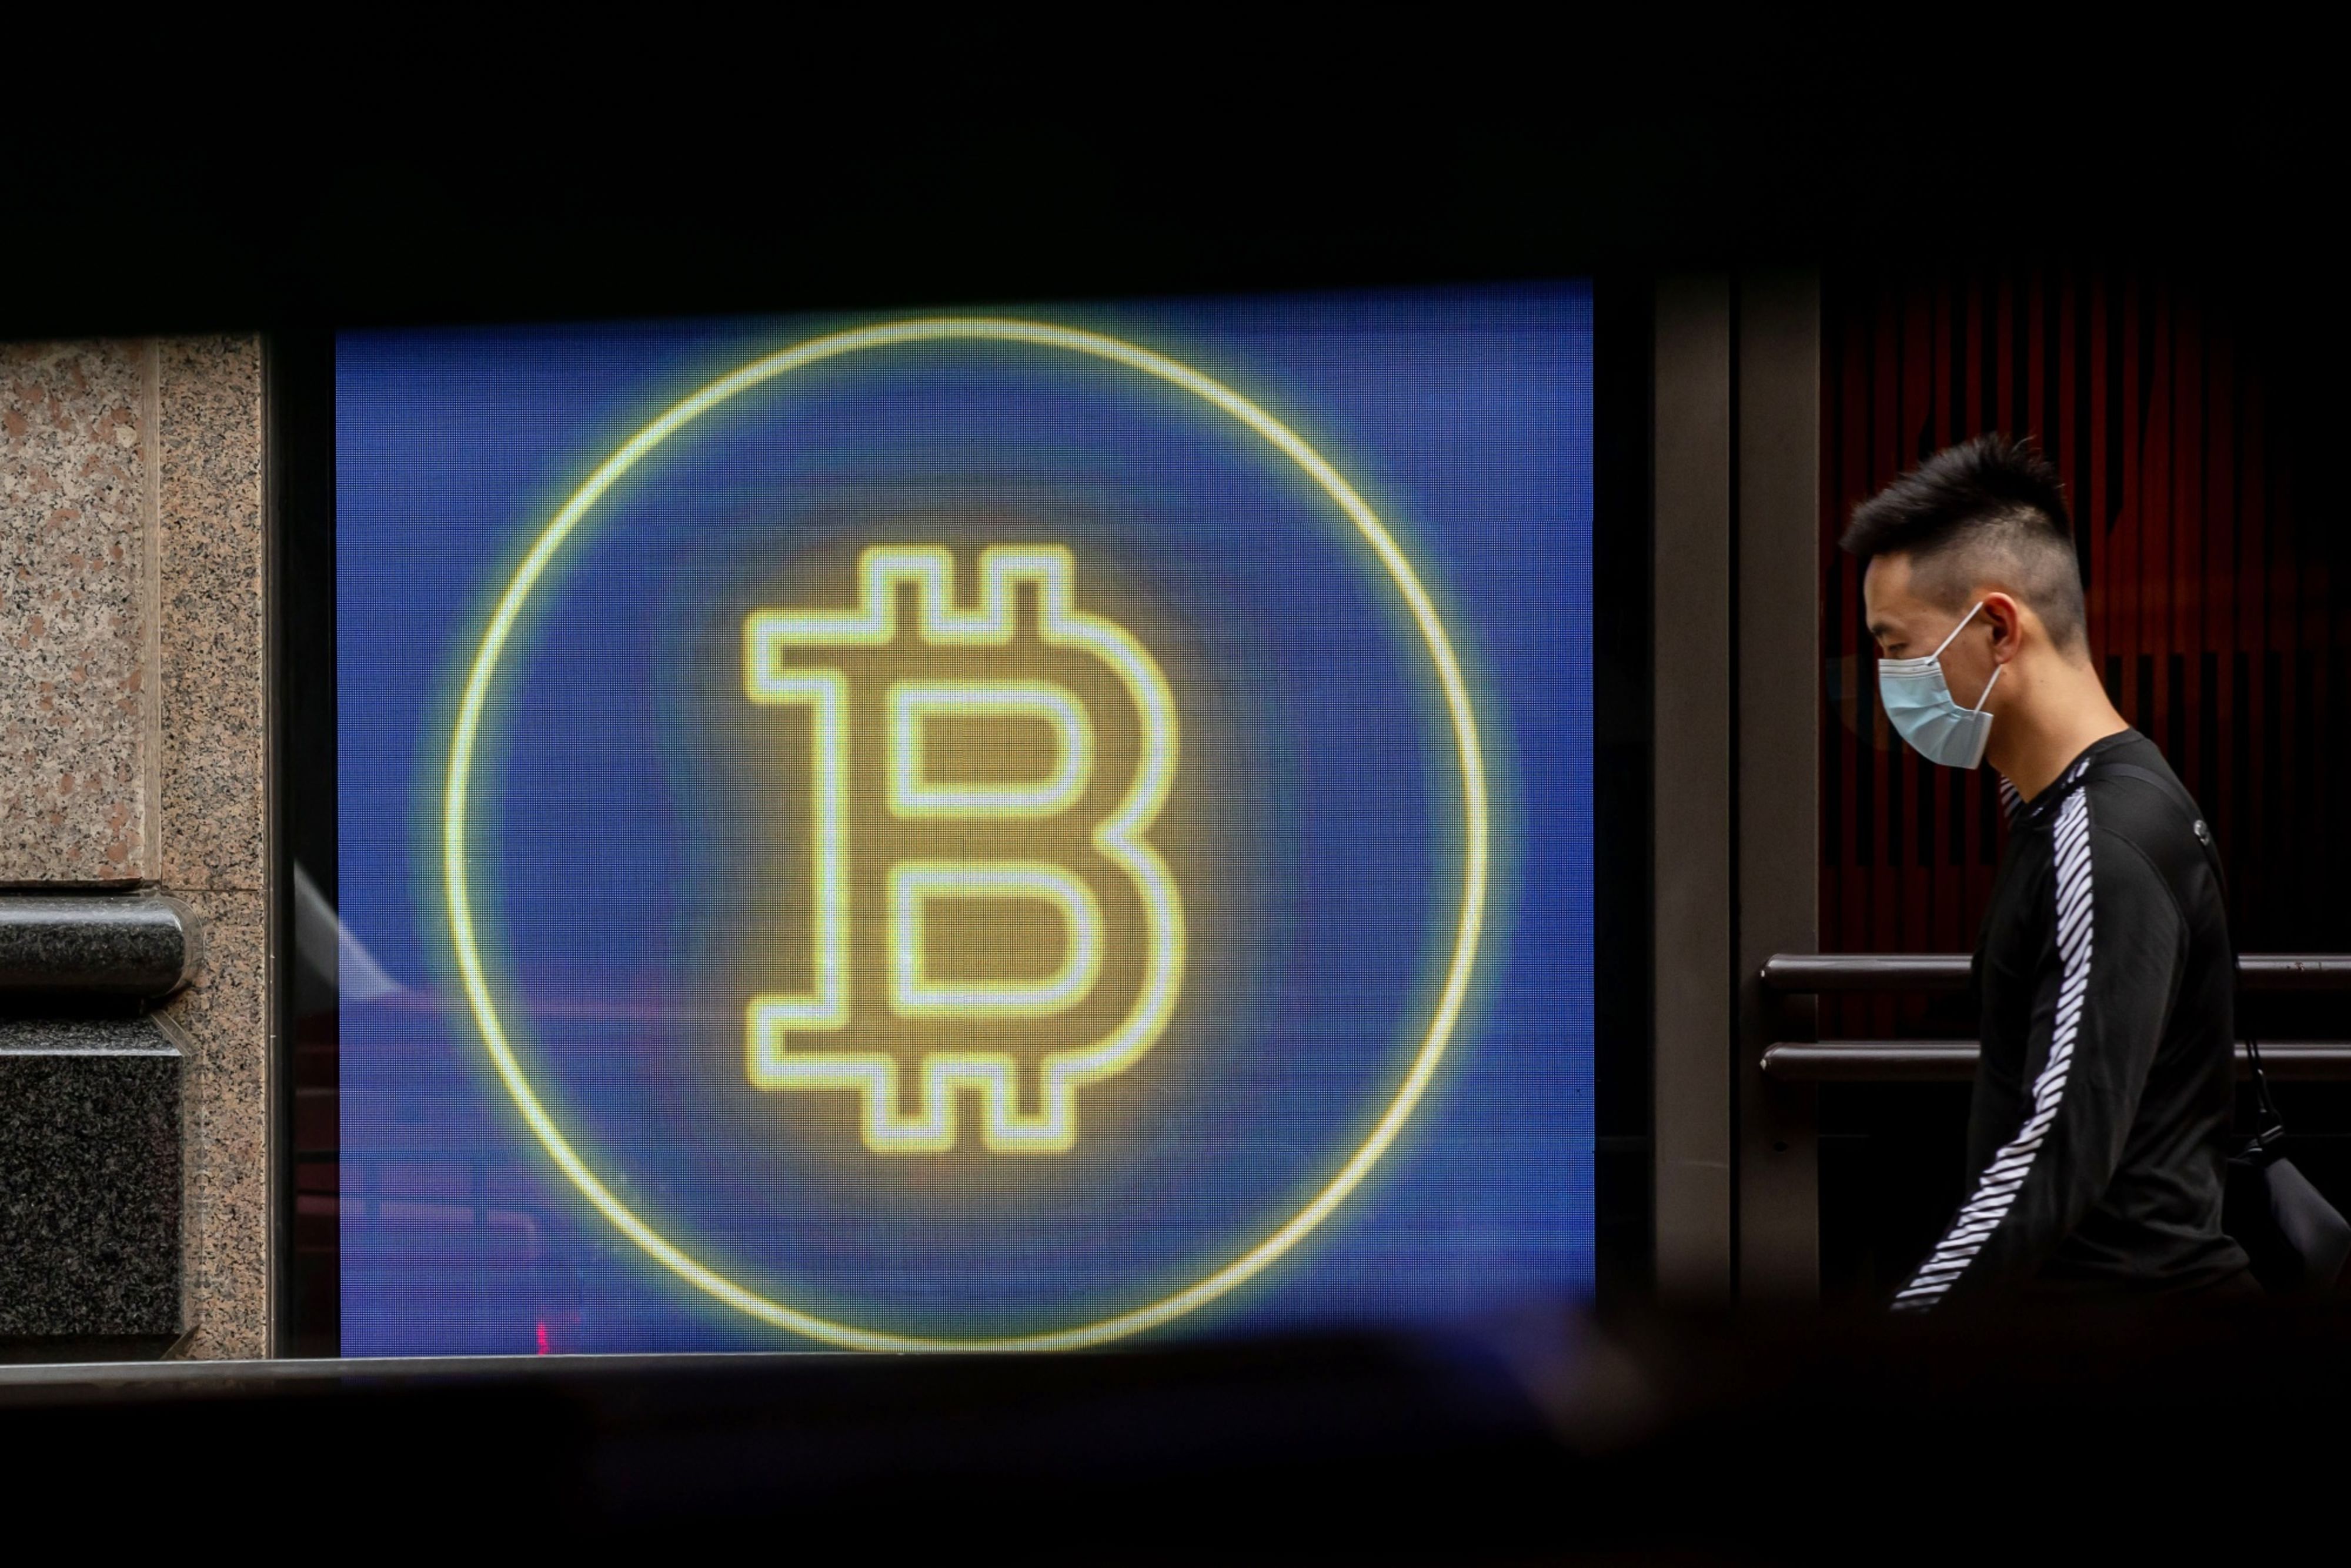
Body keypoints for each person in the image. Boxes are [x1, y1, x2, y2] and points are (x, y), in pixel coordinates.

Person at [1842, 434, 2253, 1306]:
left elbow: (2055, 1148)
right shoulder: (2077, 810)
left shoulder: (2100, 839)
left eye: (1893, 645)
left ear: (1995, 627)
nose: (1885, 678)